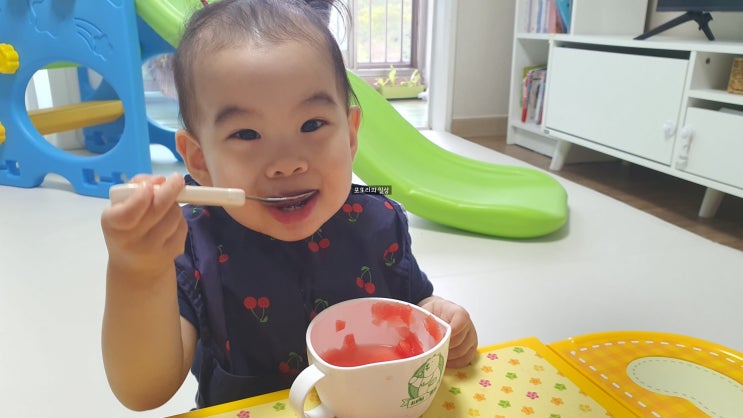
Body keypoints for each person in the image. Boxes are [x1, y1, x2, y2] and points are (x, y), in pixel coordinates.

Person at [100, 0, 478, 411]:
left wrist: (441, 318)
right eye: (247, 134)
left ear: (350, 136)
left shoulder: (377, 221)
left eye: (312, 125)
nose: (287, 163)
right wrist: (139, 273)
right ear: (200, 161)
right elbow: (144, 391)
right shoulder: (191, 241)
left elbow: (414, 309)